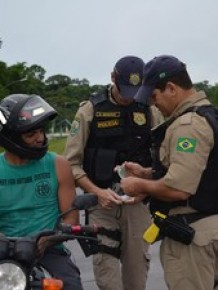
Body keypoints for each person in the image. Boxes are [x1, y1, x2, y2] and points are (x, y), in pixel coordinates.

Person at [64, 55, 164, 290]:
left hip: (137, 203)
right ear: (112, 78)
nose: (130, 97)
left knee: (136, 274)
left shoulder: (151, 110)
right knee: (107, 275)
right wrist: (96, 191)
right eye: (125, 90)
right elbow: (72, 164)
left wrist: (146, 185)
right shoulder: (90, 110)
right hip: (102, 204)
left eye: (135, 91)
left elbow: (163, 160)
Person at [120, 55, 218, 290]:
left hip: (194, 238)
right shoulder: (209, 115)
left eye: (154, 96)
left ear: (171, 88)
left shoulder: (188, 126)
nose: (154, 105)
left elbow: (178, 188)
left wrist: (139, 186)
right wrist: (147, 174)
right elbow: (202, 174)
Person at [0, 94, 84, 290]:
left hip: (48, 250)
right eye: (31, 134)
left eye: (41, 131)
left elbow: (71, 220)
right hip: (3, 252)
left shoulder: (58, 164)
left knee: (70, 285)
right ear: (10, 137)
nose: (40, 138)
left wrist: (46, 240)